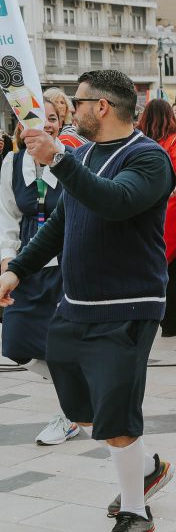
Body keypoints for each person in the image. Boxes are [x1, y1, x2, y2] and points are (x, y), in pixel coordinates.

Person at [0, 70, 176, 532]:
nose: (70, 111)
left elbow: (115, 203)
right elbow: (62, 221)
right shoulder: (80, 155)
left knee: (116, 414)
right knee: (84, 409)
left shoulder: (148, 158)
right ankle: (147, 470)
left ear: (101, 106)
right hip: (75, 303)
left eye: (77, 102)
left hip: (128, 304)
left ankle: (136, 515)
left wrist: (57, 159)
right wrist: (16, 270)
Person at [0, 100, 83, 445]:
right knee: (16, 343)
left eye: (51, 118)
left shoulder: (70, 161)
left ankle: (70, 414)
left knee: (62, 347)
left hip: (65, 266)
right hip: (25, 268)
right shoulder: (12, 161)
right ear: (21, 125)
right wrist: (7, 259)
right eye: (35, 118)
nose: (45, 125)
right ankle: (79, 397)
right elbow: (6, 215)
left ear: (60, 122)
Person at [138, 99, 176, 338]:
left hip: (141, 208)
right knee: (168, 269)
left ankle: (147, 317)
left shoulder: (138, 142)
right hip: (170, 210)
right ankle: (170, 321)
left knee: (146, 266)